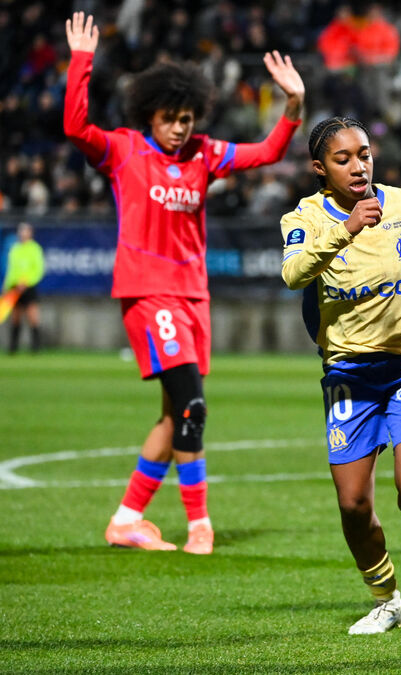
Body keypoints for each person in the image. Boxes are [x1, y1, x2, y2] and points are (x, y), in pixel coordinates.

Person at [63, 12, 305, 554]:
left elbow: (266, 153)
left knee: (176, 415)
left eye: (188, 118)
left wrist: (292, 107)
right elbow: (76, 129)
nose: (179, 127)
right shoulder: (124, 150)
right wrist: (81, 62)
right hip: (149, 291)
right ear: (150, 115)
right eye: (171, 118)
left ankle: (127, 518)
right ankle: (200, 525)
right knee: (192, 406)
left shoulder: (205, 154)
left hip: (193, 294)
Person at [281, 116, 401, 635]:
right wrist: (347, 228)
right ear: (320, 168)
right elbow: (293, 273)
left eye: (364, 153)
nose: (359, 165)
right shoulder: (306, 218)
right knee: (354, 504)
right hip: (349, 375)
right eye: (344, 159)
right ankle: (387, 600)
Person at [3, 223, 45, 353]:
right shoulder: (15, 249)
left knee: (33, 317)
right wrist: (6, 286)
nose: (23, 234)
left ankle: (35, 347)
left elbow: (38, 269)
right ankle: (13, 347)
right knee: (15, 318)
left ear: (30, 233)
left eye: (25, 231)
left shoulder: (35, 249)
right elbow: (11, 270)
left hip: (28, 286)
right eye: (21, 231)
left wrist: (26, 282)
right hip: (14, 287)